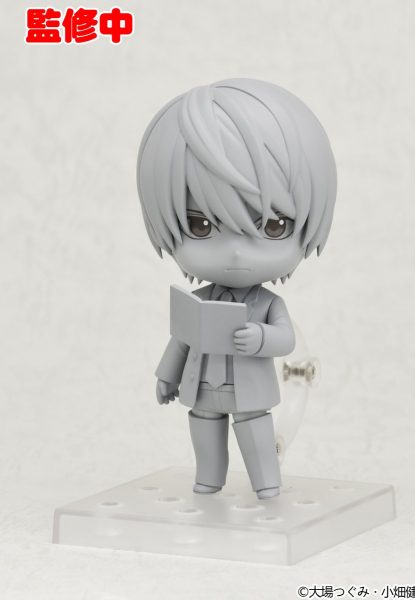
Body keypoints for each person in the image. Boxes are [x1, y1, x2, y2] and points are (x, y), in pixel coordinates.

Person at [137, 78, 337, 499]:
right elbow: (181, 340)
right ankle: (208, 480)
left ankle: (267, 484)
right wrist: (166, 376)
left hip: (250, 395)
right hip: (202, 391)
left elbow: (285, 339)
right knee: (204, 432)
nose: (236, 252)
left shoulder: (266, 304)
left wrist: (260, 337)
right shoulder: (198, 300)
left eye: (273, 226)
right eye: (200, 225)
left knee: (255, 435)